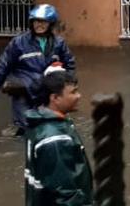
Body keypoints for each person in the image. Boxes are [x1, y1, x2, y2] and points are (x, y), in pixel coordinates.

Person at [0, 4, 77, 137]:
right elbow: (3, 67)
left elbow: (69, 65)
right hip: (23, 94)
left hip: (45, 95)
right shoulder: (18, 43)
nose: (38, 25)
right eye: (36, 21)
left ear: (51, 23)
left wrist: (67, 88)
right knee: (26, 131)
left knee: (48, 129)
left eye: (43, 21)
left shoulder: (59, 44)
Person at [24, 69, 93, 206]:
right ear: (55, 98)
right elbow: (65, 195)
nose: (79, 96)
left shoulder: (40, 123)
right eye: (73, 92)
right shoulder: (54, 139)